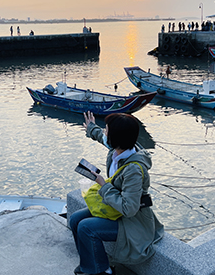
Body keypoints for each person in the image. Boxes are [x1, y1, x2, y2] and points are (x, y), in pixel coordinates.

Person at [69, 112, 164, 275]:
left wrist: (103, 185)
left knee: (86, 227)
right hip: (114, 209)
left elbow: (129, 209)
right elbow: (103, 138)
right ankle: (92, 265)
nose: (105, 132)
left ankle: (99, 271)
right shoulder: (122, 148)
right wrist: (91, 129)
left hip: (132, 220)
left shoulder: (133, 170)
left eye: (107, 129)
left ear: (116, 138)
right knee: (75, 219)